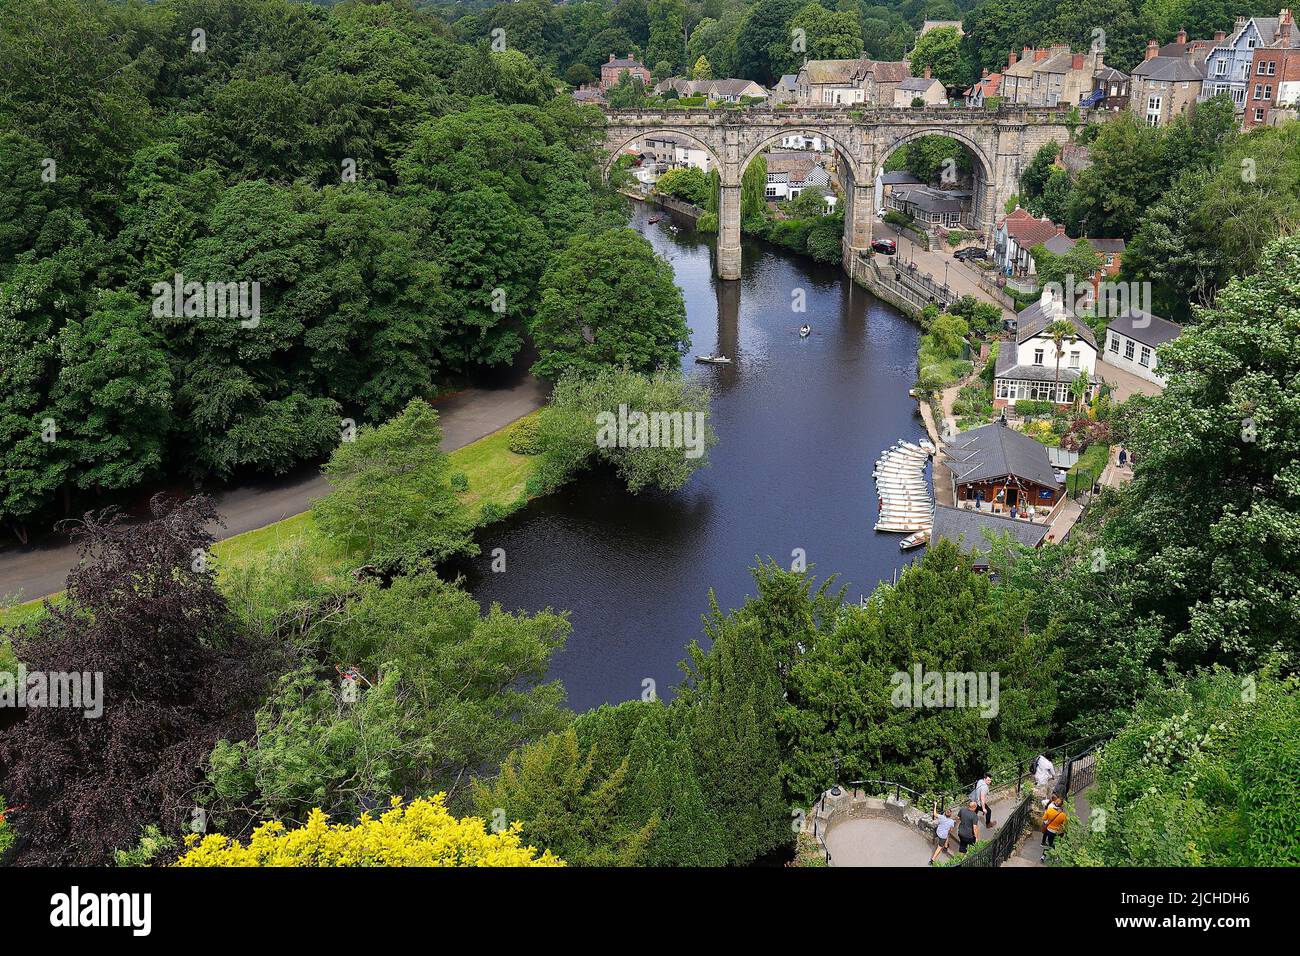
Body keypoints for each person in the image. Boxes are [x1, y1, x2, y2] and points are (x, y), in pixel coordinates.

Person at [1041, 792, 1067, 861]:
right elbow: (1064, 824)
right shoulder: (1063, 815)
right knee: (1052, 843)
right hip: (1057, 831)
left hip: (1049, 829)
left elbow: (1044, 819)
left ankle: (1044, 856)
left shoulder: (1049, 810)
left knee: (1049, 843)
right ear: (1061, 806)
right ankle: (1054, 856)